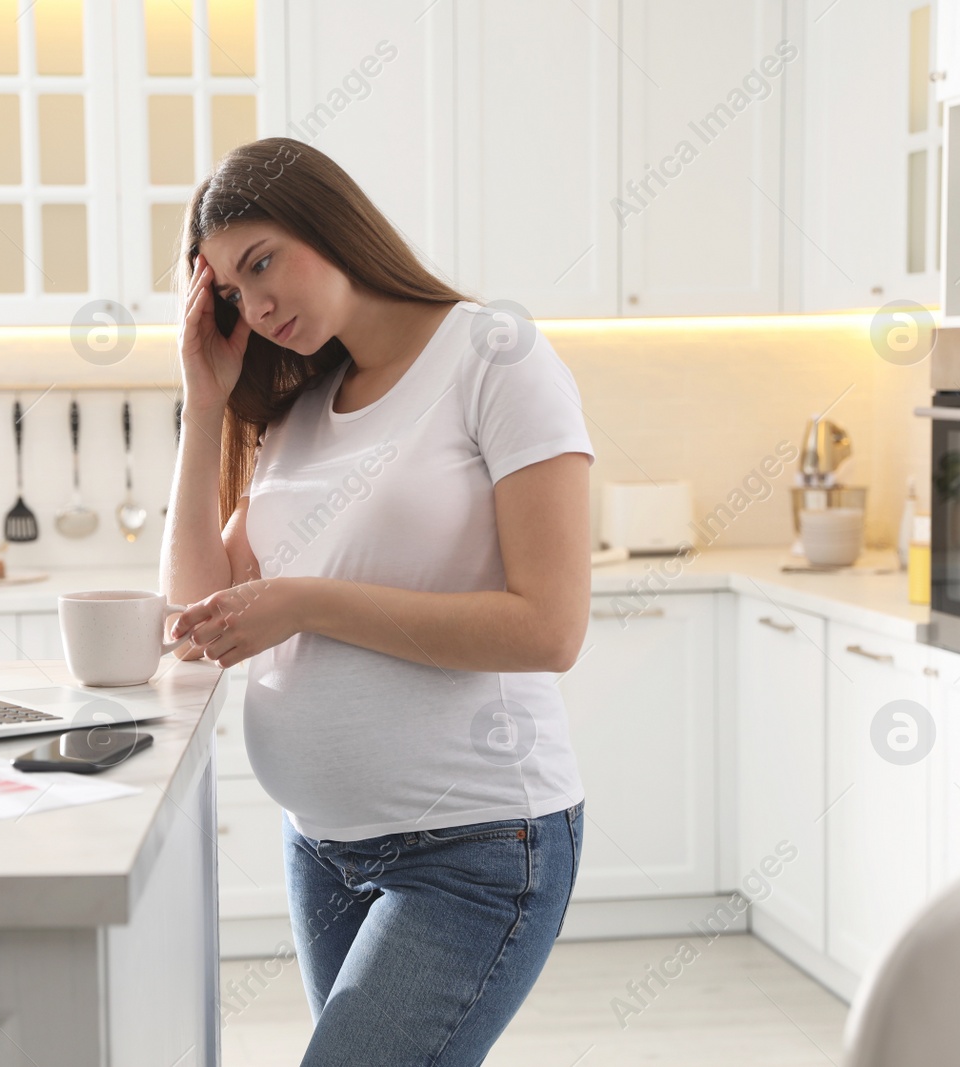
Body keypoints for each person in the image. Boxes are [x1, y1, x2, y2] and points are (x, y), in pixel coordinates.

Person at [159, 136, 594, 1067]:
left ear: (330, 221)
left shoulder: (493, 352)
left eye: (262, 261)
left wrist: (308, 601)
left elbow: (550, 628)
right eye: (230, 290)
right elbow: (197, 613)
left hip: (476, 846)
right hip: (323, 845)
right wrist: (204, 403)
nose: (256, 303)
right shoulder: (304, 405)